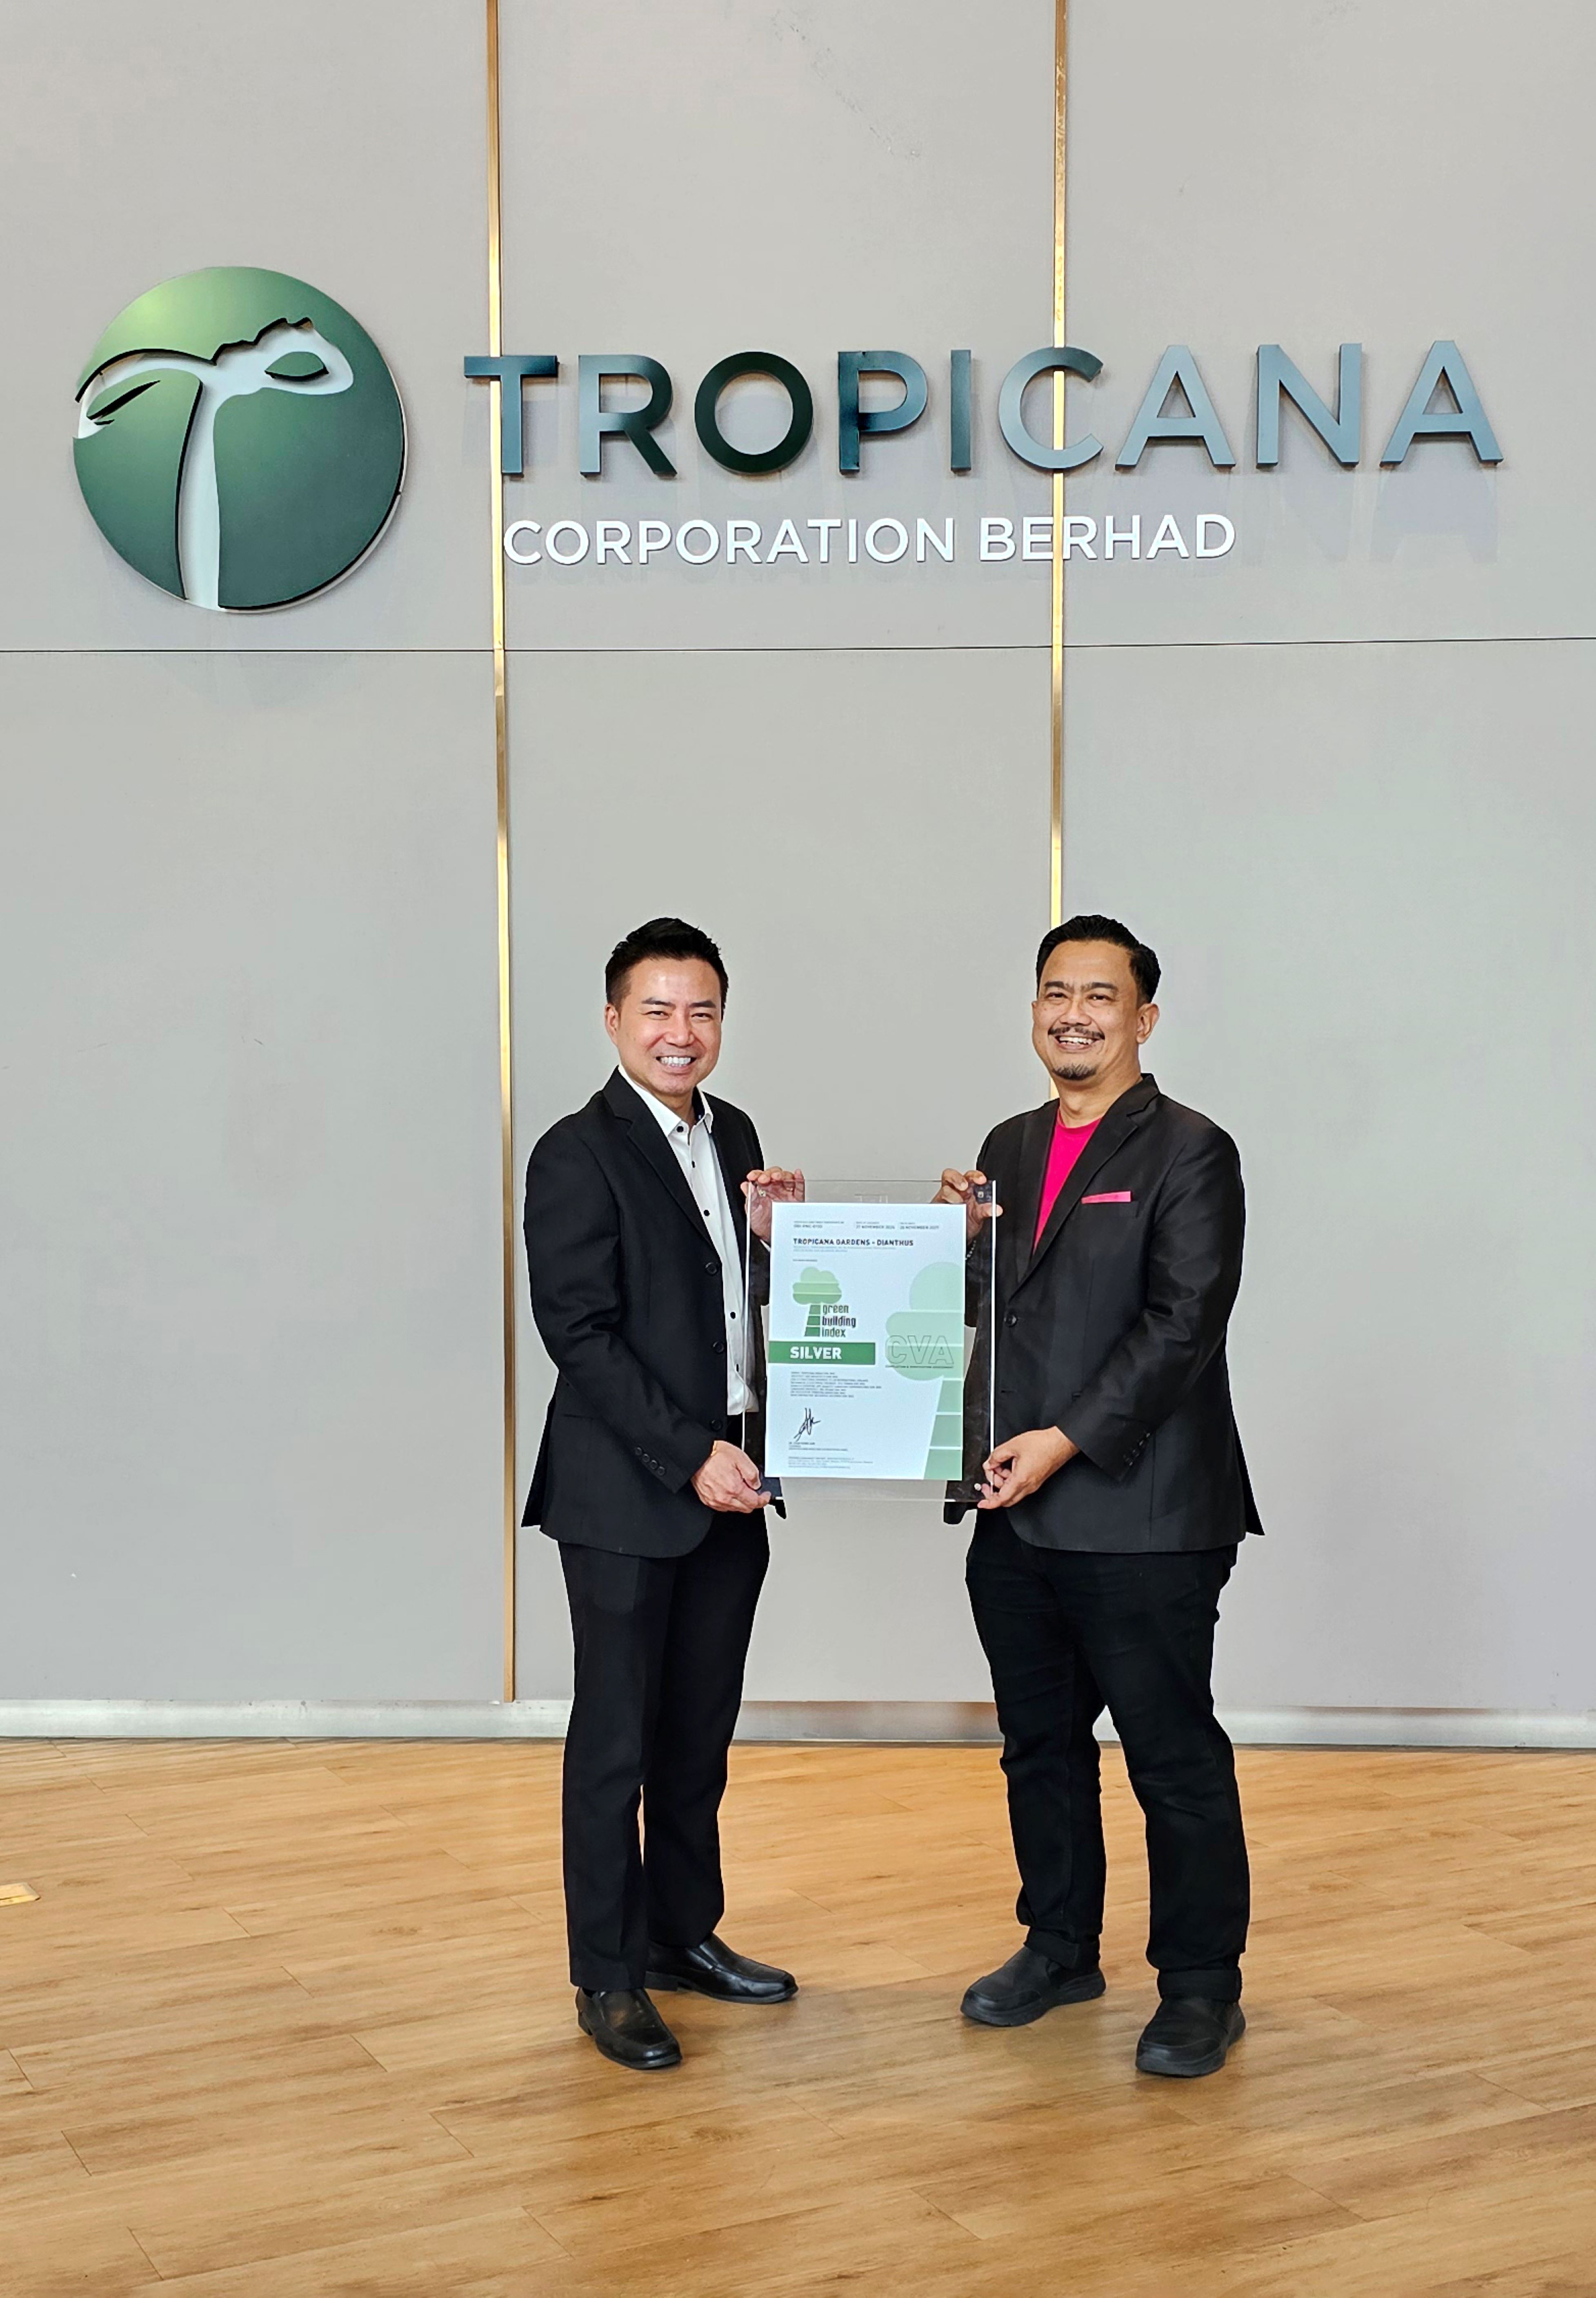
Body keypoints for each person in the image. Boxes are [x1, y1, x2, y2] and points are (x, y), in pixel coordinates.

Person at [938, 913, 1260, 2080]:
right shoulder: (1009, 1145)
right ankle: (1060, 1947)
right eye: (1055, 994)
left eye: (1100, 997)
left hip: (1145, 1516)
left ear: (1144, 1019)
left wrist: (1065, 1442)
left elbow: (1182, 1326)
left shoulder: (1192, 1151)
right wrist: (954, 1242)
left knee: (1171, 1756)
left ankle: (1201, 1988)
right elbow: (1001, 1311)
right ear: (1035, 1010)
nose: (1073, 1015)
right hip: (1015, 1509)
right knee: (1039, 1746)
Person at [523, 917, 804, 2072]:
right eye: (657, 1010)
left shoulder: (735, 1135)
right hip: (630, 1491)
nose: (680, 1032)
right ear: (613, 1021)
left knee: (698, 1735)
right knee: (616, 1743)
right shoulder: (574, 1153)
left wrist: (778, 1240)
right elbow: (579, 1332)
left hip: (735, 1484)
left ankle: (684, 1935)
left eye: (701, 1011)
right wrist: (691, 1453)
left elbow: (731, 1303)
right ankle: (608, 1973)